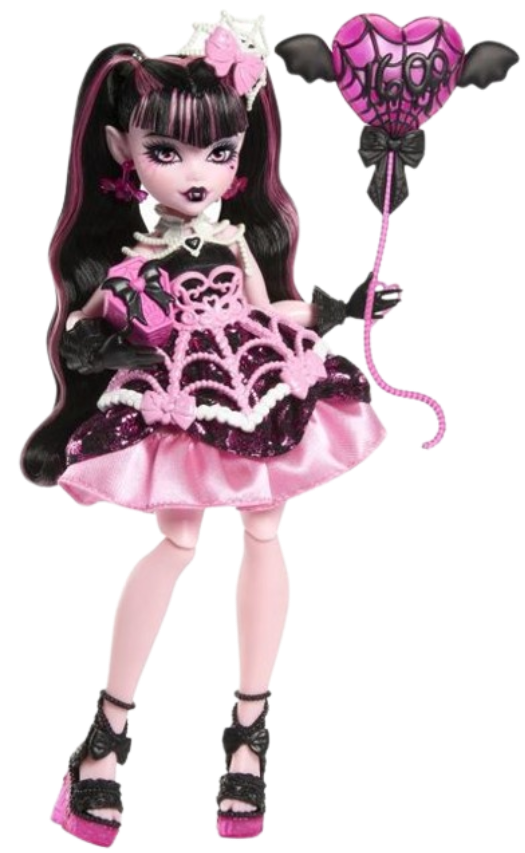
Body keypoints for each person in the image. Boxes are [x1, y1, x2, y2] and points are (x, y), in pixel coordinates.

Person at [18, 10, 401, 846]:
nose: (197, 173)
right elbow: (88, 319)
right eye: (168, 152)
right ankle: (107, 728)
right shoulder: (133, 259)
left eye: (218, 153)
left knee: (265, 528)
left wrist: (343, 309)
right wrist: (94, 339)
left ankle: (250, 729)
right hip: (177, 394)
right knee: (178, 540)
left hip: (256, 378)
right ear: (122, 149)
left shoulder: (233, 243)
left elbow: (272, 311)